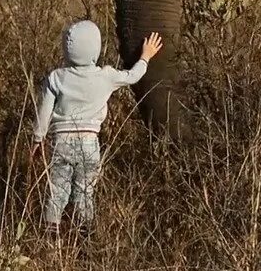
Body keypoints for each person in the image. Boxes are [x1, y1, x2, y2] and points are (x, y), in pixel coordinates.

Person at [31, 20, 164, 234]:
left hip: (60, 143)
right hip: (89, 144)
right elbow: (133, 76)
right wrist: (145, 56)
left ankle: (50, 241)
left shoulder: (56, 77)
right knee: (85, 193)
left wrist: (37, 139)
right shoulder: (105, 76)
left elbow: (43, 112)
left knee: (56, 192)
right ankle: (85, 240)